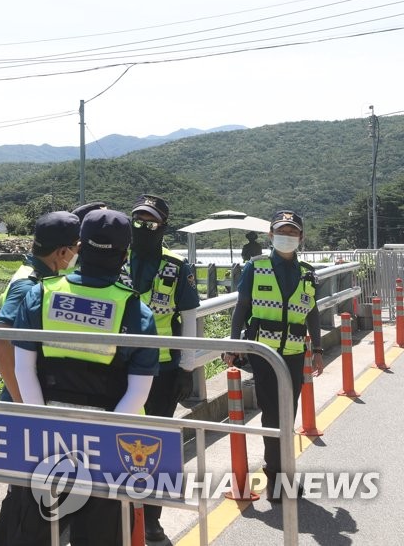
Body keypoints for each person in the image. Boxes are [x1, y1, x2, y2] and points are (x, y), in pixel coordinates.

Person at [0, 209, 159, 546]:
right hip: (106, 448)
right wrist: (102, 439)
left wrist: (43, 424)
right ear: (125, 255)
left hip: (44, 442)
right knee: (101, 535)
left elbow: (23, 368)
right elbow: (138, 392)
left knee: (34, 531)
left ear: (80, 248)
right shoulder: (136, 311)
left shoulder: (40, 294)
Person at [223, 210, 324, 502]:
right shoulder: (256, 267)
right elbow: (241, 308)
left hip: (293, 353)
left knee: (287, 413)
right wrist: (234, 345)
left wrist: (317, 349)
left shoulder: (307, 272)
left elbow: (313, 313)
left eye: (293, 232)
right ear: (270, 235)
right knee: (272, 414)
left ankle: (282, 471)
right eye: (282, 231)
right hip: (263, 352)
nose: (287, 237)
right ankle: (277, 477)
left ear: (301, 237)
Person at [127, 194, 200, 543]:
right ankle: (125, 510)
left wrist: (187, 367)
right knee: (120, 440)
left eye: (150, 222)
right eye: (138, 220)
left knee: (156, 442)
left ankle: (153, 516)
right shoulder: (115, 257)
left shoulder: (176, 265)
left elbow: (188, 320)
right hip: (120, 368)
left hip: (163, 369)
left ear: (163, 226)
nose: (143, 227)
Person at [0, 210, 82, 402]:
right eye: (76, 248)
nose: (78, 253)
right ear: (63, 252)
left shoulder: (36, 273)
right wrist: (21, 403)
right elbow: (1, 337)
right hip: (24, 398)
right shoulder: (29, 285)